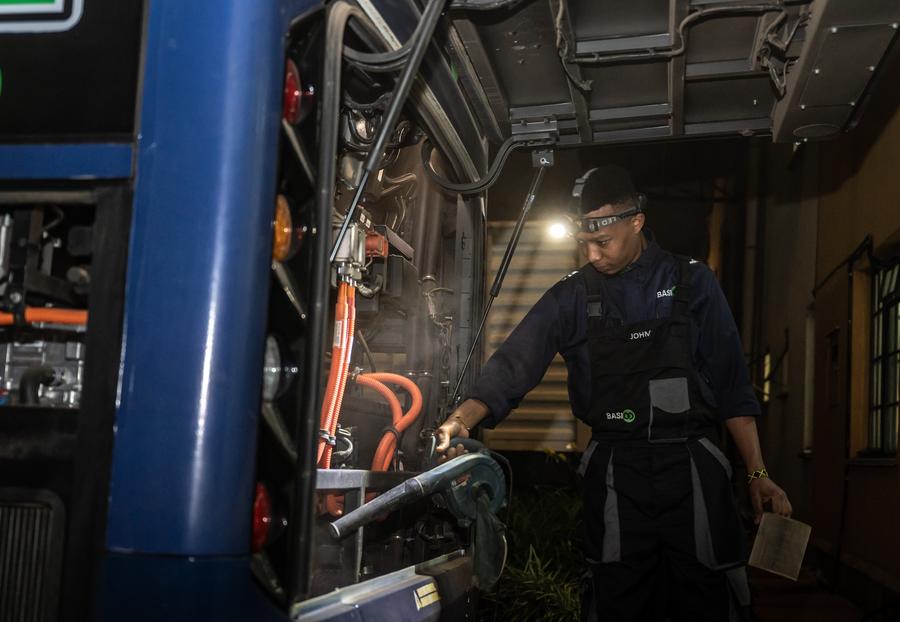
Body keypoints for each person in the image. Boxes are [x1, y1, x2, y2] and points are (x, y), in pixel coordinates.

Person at [435, 165, 792, 621]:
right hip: (616, 474)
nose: (592, 254)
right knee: (617, 598)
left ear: (636, 222)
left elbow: (732, 388)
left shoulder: (692, 282)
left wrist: (758, 472)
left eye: (602, 241)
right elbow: (515, 363)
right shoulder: (573, 295)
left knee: (707, 595)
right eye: (583, 242)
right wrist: (461, 420)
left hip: (691, 467)